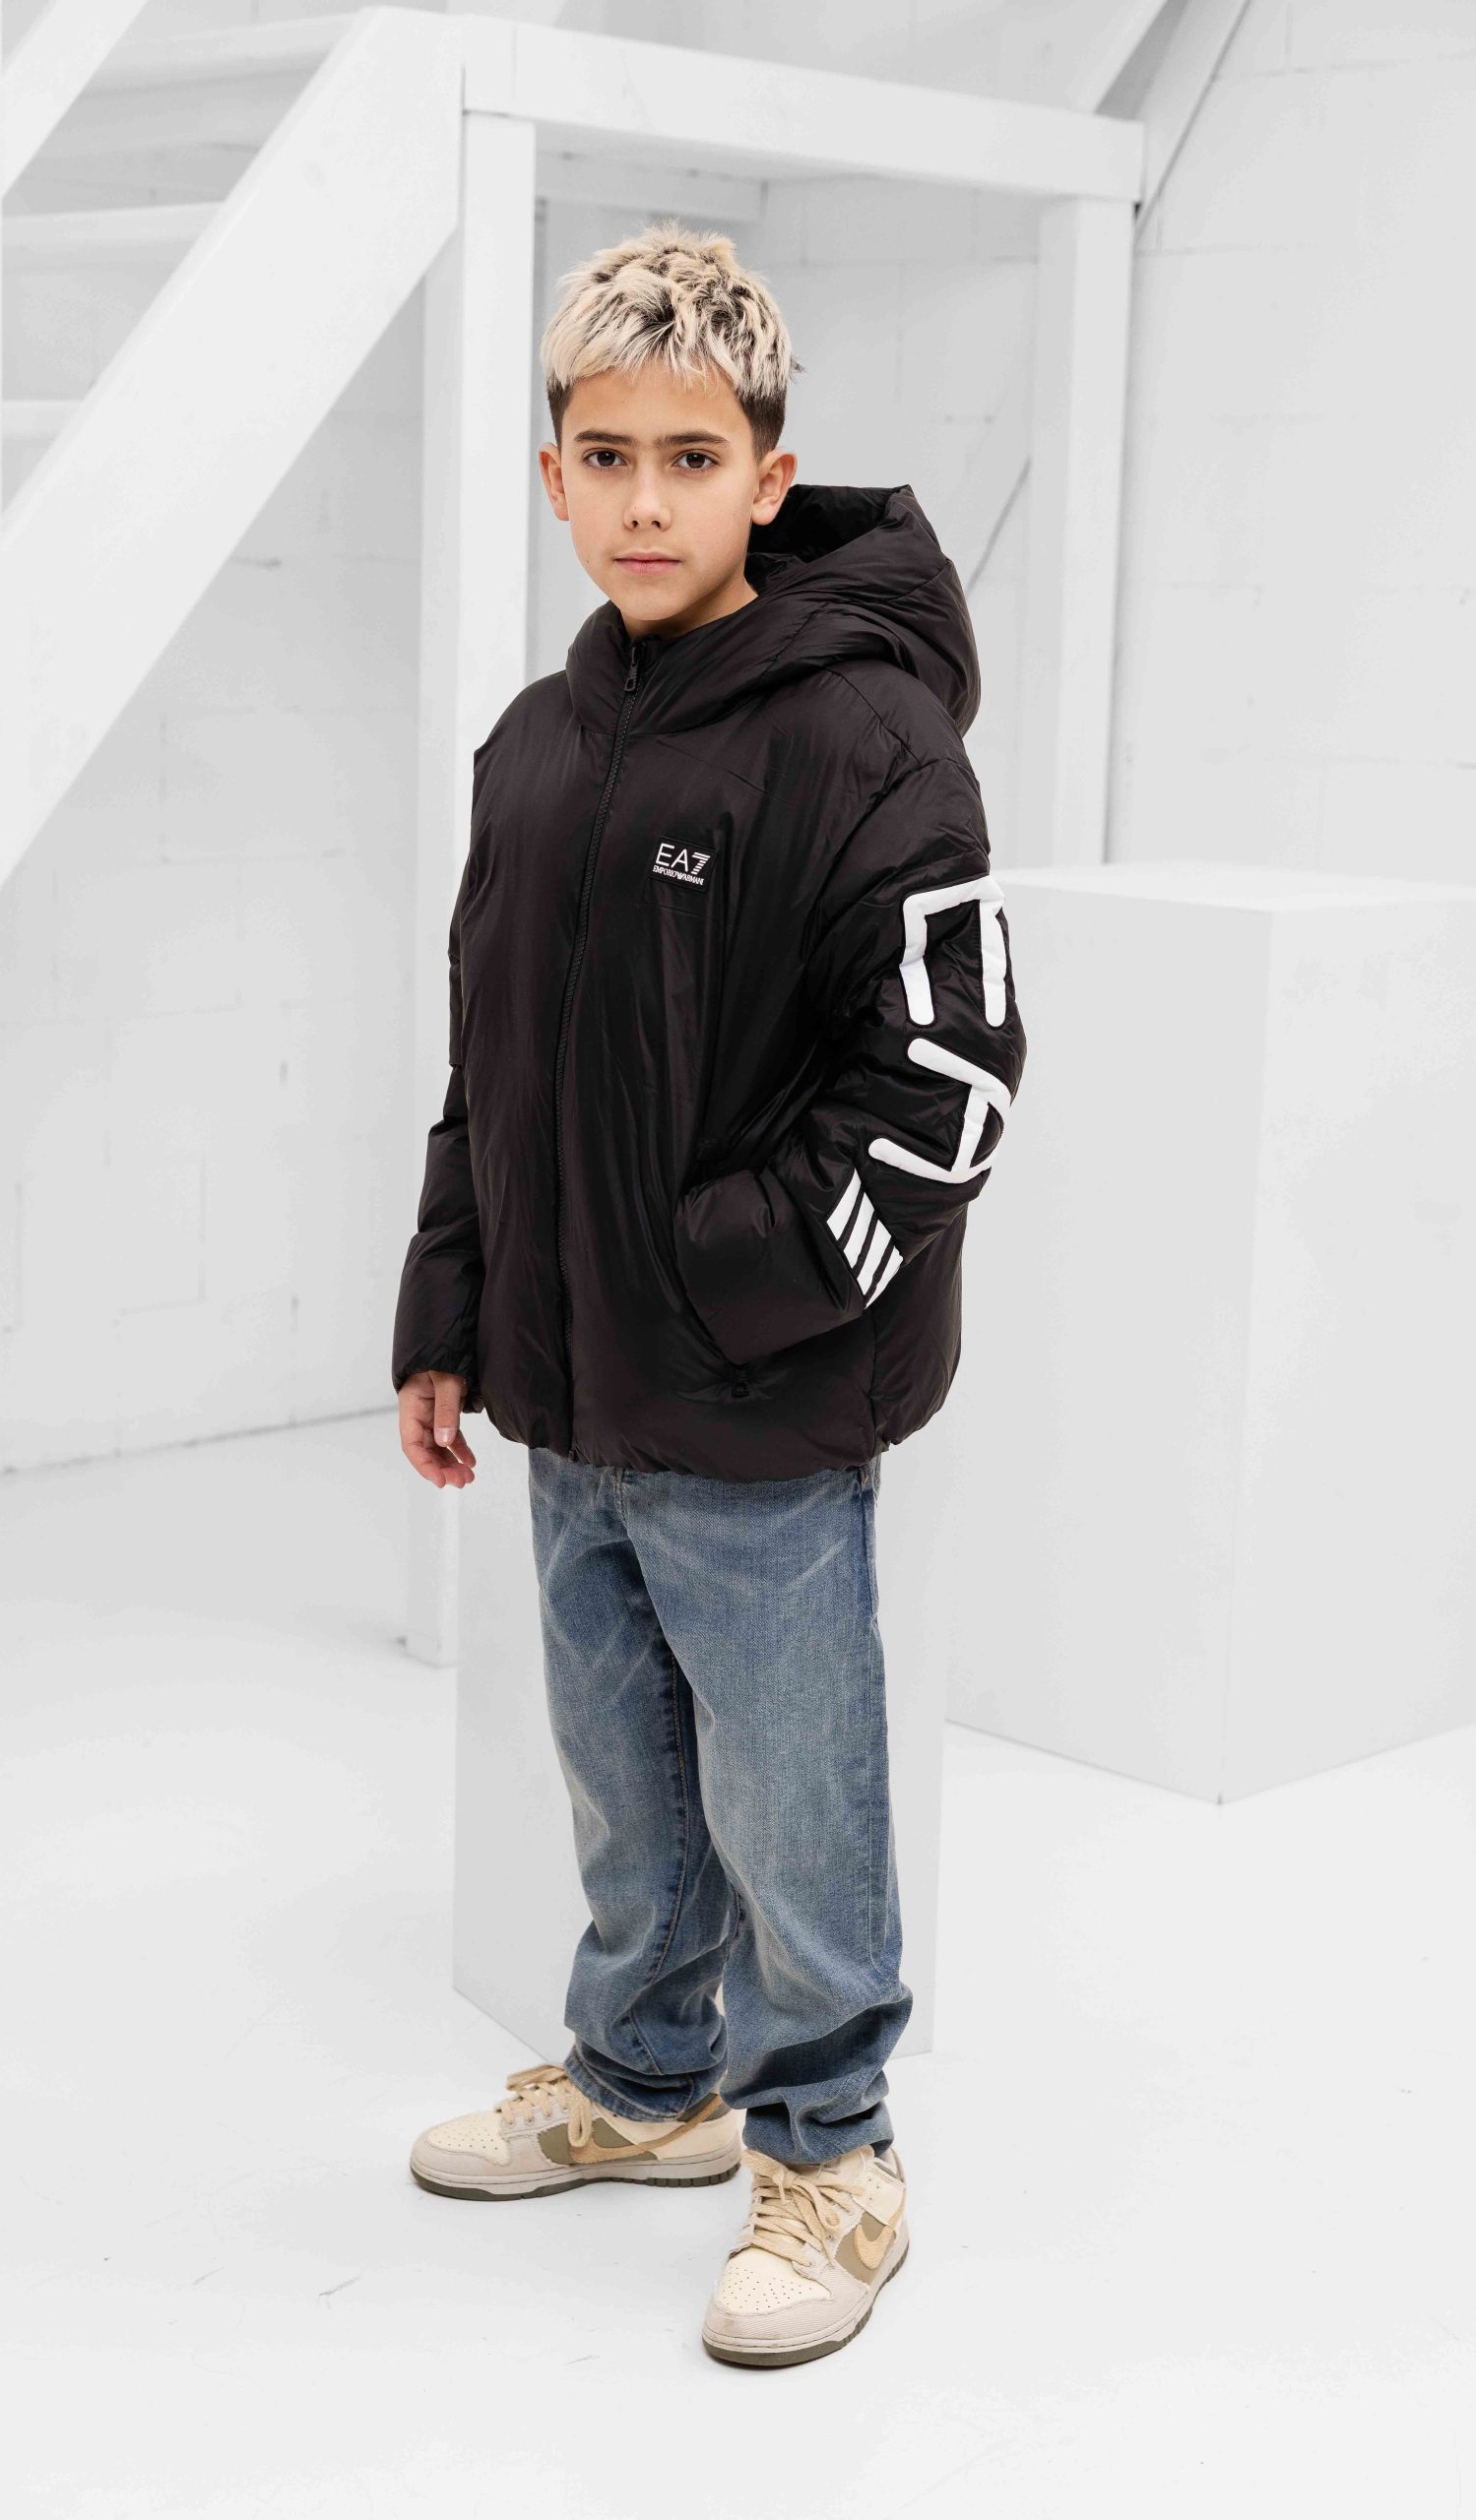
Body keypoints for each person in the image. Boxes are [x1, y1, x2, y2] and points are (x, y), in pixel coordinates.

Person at [391, 217, 1025, 2371]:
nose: (645, 499)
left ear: (770, 474)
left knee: (787, 1791)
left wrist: (731, 1281)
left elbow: (949, 1069)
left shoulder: (867, 741)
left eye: (690, 456)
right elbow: (489, 1060)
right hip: (570, 1388)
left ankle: (834, 2148)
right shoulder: (534, 745)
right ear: (551, 476)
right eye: (605, 456)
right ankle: (647, 2077)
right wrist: (451, 1305)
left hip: (755, 1399)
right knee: (620, 1773)